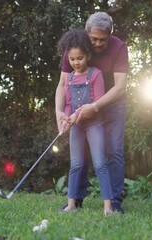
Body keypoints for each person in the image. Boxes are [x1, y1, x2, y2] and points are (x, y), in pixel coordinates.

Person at [55, 12, 129, 213]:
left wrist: (95, 107)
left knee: (113, 150)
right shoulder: (76, 45)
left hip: (112, 104)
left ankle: (113, 203)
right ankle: (75, 200)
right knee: (81, 156)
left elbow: (120, 87)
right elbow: (63, 83)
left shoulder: (119, 48)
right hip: (82, 106)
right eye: (94, 38)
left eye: (102, 39)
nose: (97, 43)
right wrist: (59, 112)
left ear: (110, 35)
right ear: (87, 34)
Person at [57, 29, 114, 215]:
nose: (76, 63)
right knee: (76, 164)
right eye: (72, 59)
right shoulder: (70, 78)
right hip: (76, 127)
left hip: (94, 125)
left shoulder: (95, 74)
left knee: (99, 163)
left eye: (80, 58)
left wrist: (76, 115)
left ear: (87, 55)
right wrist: (65, 118)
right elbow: (67, 103)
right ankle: (71, 204)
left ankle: (108, 207)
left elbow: (96, 103)